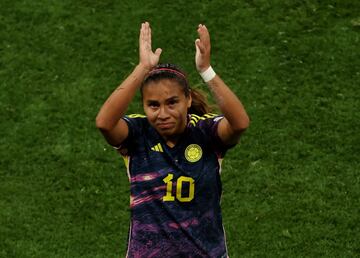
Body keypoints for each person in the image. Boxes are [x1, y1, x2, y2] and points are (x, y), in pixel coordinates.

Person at [96, 22, 249, 258]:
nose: (163, 114)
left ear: (187, 100)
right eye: (153, 105)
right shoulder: (138, 133)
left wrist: (206, 70)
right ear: (144, 106)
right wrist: (142, 67)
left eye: (172, 103)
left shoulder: (206, 132)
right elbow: (104, 123)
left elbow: (240, 123)